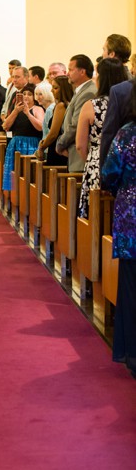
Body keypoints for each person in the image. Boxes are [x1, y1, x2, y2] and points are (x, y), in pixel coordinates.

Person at [99, 102, 136, 381]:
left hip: (131, 216)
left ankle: (132, 352)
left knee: (131, 285)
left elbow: (110, 173)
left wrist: (118, 188)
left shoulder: (128, 134)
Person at [76, 57, 126, 219]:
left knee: (95, 215)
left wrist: (91, 160)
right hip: (124, 161)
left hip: (97, 162)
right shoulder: (127, 104)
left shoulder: (91, 105)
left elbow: (80, 145)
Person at [55, 54, 96, 172]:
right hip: (74, 154)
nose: (67, 73)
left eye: (71, 70)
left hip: (80, 156)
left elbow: (76, 125)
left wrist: (60, 144)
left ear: (82, 71)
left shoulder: (88, 92)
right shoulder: (81, 90)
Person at [1, 84, 42, 192]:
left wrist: (28, 113)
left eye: (30, 94)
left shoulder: (37, 109)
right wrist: (16, 111)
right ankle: (14, 197)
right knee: (14, 174)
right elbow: (5, 126)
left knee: (28, 175)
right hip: (15, 144)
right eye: (24, 94)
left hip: (31, 144)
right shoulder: (16, 110)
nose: (26, 96)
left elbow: (40, 127)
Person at [35, 76, 72, 167]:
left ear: (64, 89)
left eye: (55, 88)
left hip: (57, 150)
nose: (51, 91)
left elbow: (53, 133)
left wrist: (41, 147)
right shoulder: (67, 104)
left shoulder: (61, 106)